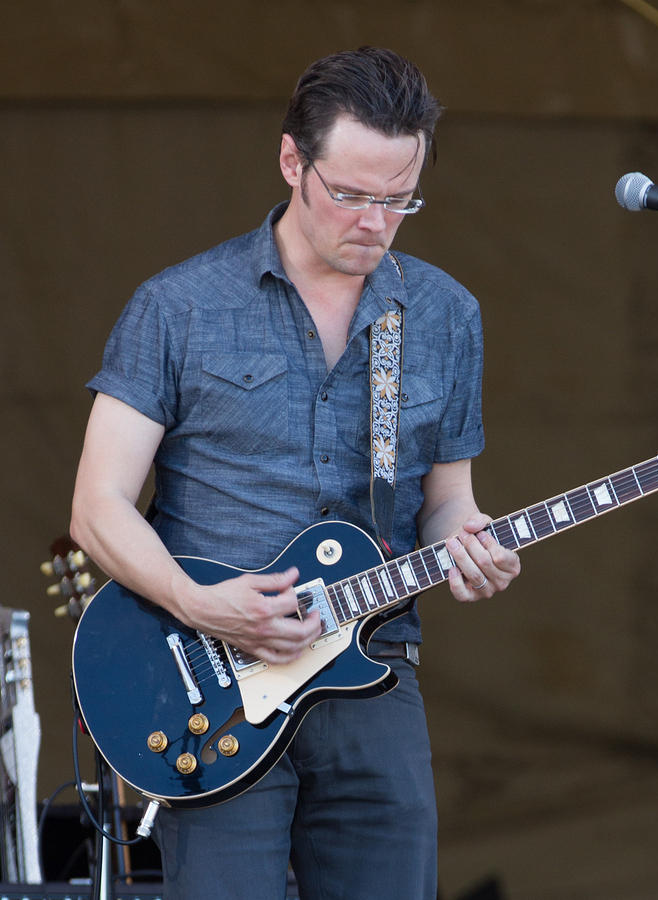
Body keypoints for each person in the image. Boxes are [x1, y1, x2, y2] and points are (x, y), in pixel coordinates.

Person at [70, 46, 521, 899]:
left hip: (374, 660)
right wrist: (198, 602)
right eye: (350, 194)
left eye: (398, 199)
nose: (373, 222)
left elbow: (447, 500)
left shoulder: (445, 314)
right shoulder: (180, 307)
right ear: (291, 162)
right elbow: (98, 506)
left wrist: (470, 543)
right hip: (210, 676)